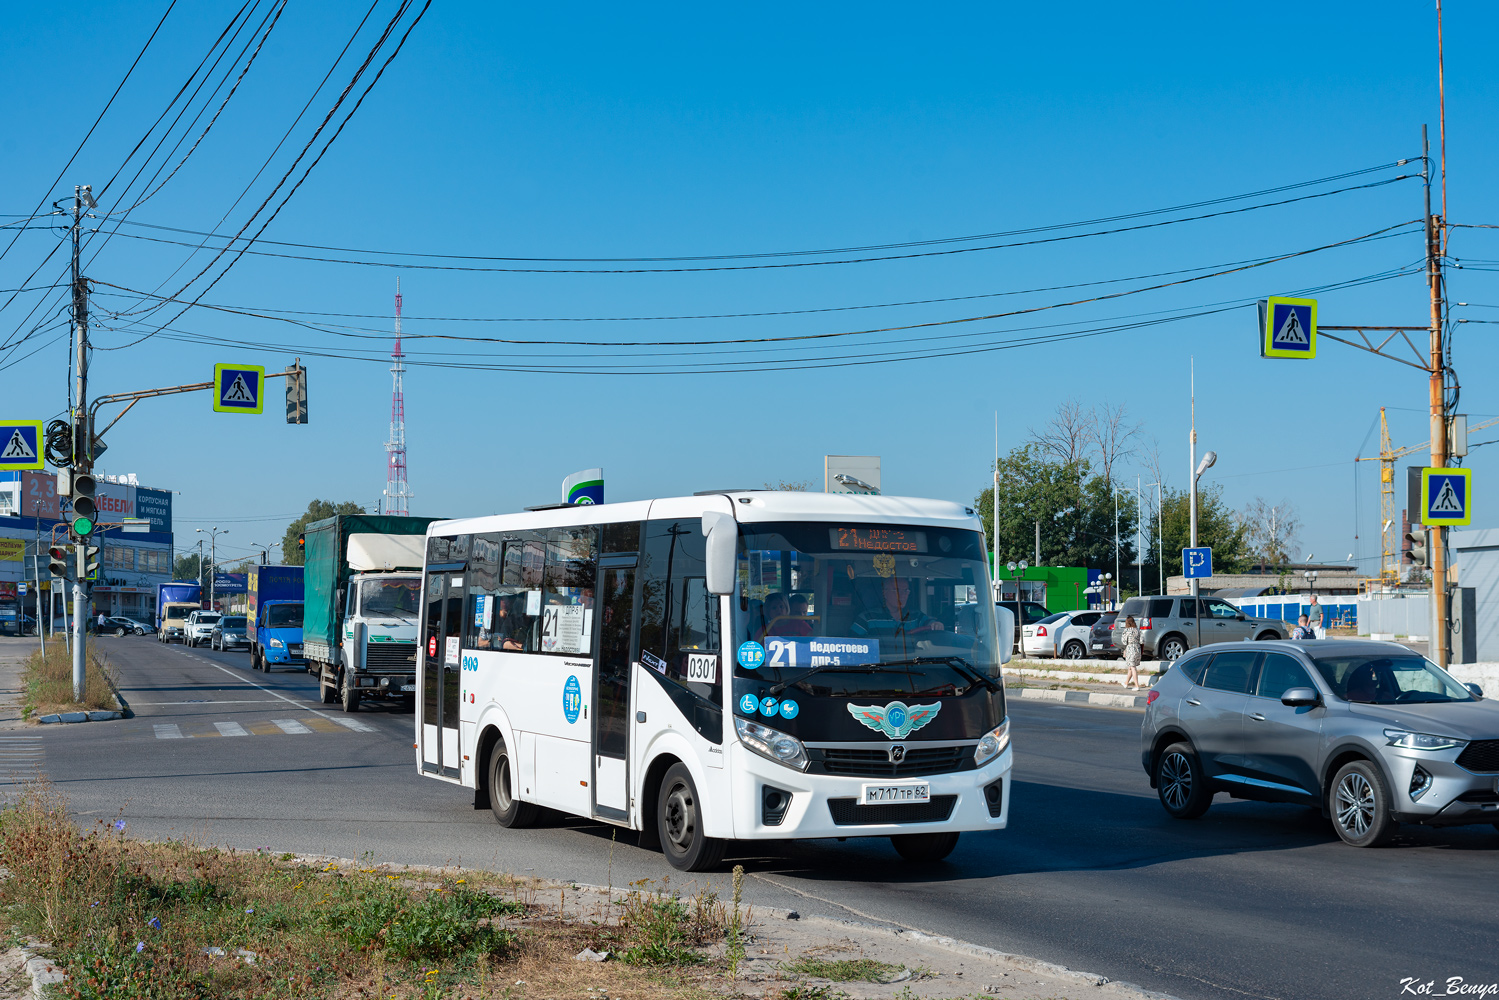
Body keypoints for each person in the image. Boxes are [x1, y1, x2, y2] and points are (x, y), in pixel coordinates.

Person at [850, 576, 944, 639]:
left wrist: (936, 624)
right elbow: (853, 645)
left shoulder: (916, 616)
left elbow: (929, 623)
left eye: (906, 590)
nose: (902, 595)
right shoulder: (867, 618)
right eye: (897, 590)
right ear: (884, 593)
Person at [1116, 614, 1143, 690]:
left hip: (1130, 649)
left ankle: (1137, 686)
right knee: (1130, 667)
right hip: (1137, 649)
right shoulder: (1138, 630)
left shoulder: (1126, 631)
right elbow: (1142, 641)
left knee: (1133, 667)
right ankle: (1126, 683)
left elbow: (1124, 642)